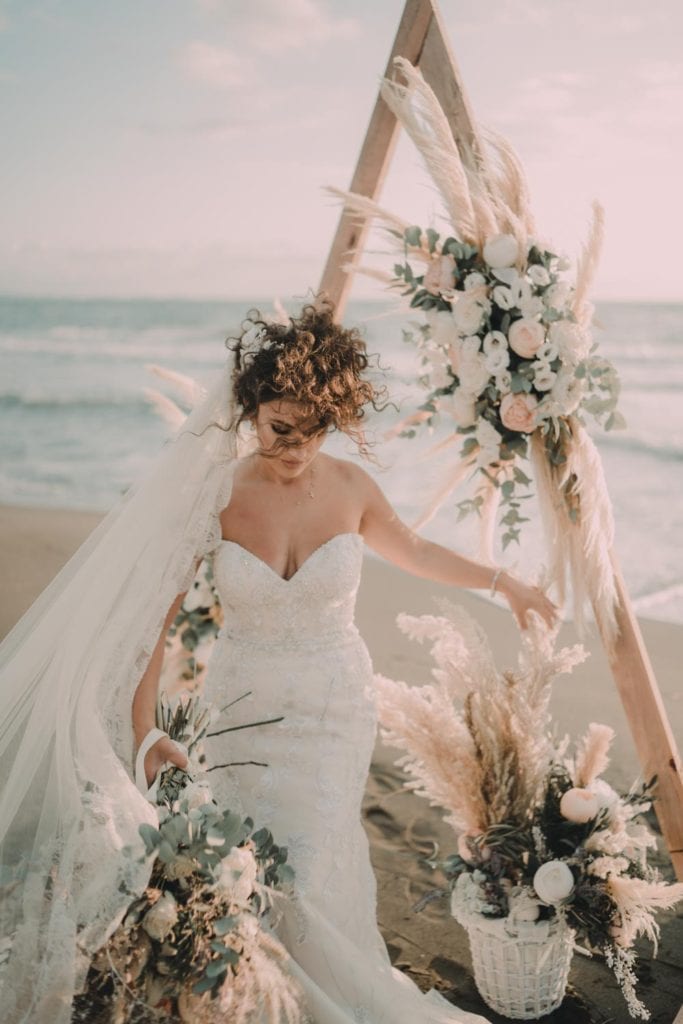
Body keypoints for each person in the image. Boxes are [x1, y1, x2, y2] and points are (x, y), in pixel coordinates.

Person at [130, 301, 557, 1023]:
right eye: (280, 428)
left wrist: (501, 581)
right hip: (241, 706)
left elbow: (415, 550)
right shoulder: (217, 494)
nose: (295, 447)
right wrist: (145, 728)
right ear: (251, 409)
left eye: (315, 429)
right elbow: (155, 616)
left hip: (334, 705)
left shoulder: (352, 488)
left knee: (314, 857)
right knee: (244, 862)